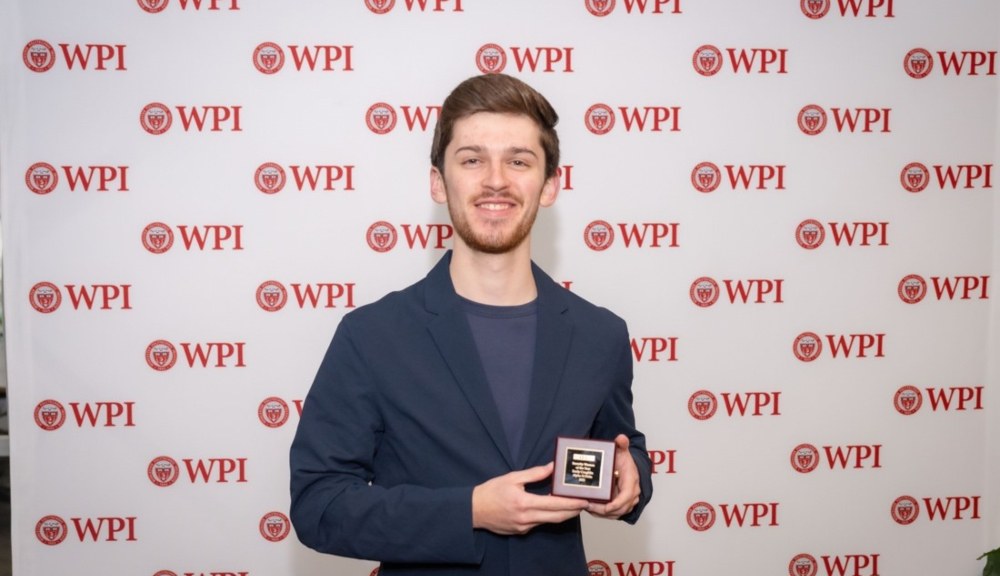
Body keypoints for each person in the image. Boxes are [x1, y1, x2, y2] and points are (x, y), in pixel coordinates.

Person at [289, 73, 653, 575]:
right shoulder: (372, 336)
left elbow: (621, 447)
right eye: (472, 160)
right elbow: (319, 505)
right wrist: (471, 510)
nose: (496, 180)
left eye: (519, 161)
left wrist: (631, 478)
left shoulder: (600, 335)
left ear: (550, 185)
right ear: (439, 182)